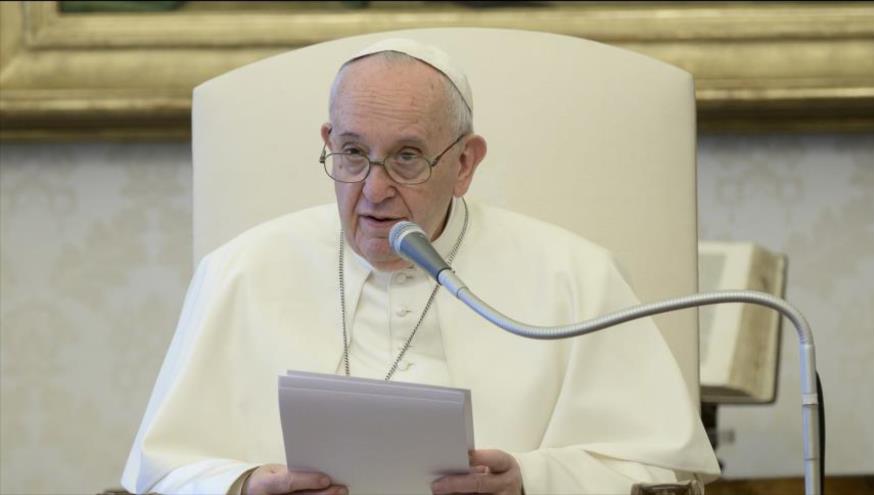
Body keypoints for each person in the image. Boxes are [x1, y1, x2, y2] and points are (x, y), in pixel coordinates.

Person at [122, 38, 719, 495]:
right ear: (329, 139)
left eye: (407, 157)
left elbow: (664, 471)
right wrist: (247, 484)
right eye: (353, 153)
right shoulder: (240, 272)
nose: (374, 189)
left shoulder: (575, 276)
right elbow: (161, 472)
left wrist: (531, 481)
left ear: (464, 163)